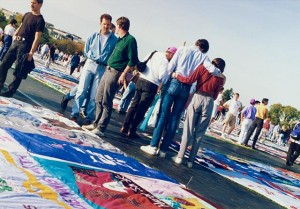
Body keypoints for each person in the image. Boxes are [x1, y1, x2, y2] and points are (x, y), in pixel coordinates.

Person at [140, 39, 224, 156]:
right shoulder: (204, 57)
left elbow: (171, 66)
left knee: (163, 114)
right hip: (186, 88)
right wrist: (220, 74)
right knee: (175, 118)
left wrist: (163, 82)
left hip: (173, 82)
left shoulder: (182, 49)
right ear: (204, 49)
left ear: (196, 44)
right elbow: (213, 70)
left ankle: (153, 146)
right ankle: (163, 150)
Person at [83, 16, 138, 136]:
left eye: (116, 26)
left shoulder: (130, 40)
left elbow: (132, 60)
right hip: (108, 70)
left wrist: (123, 74)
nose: (115, 28)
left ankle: (101, 128)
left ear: (120, 26)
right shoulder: (120, 39)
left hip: (116, 73)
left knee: (106, 101)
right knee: (98, 98)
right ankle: (95, 123)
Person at [171, 58, 225, 168]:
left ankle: (180, 157)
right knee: (199, 133)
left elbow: (189, 80)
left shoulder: (202, 68)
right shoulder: (220, 78)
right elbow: (215, 96)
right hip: (209, 101)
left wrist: (177, 76)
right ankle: (191, 161)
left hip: (197, 97)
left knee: (188, 129)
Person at [70, 14, 117, 124]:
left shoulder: (114, 40)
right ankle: (75, 113)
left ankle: (89, 116)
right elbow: (86, 50)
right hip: (90, 64)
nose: (106, 26)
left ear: (110, 24)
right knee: (82, 90)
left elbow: (113, 55)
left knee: (94, 94)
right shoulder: (93, 36)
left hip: (102, 67)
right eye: (104, 24)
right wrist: (94, 56)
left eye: (108, 24)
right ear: (100, 23)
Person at [121, 47, 177, 138]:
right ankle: (132, 130)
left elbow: (142, 62)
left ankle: (125, 126)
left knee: (134, 104)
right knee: (142, 108)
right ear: (172, 55)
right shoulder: (165, 62)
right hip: (151, 84)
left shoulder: (153, 52)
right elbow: (162, 76)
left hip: (141, 80)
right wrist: (165, 80)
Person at [0, 0, 45, 97]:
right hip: (16, 43)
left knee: (19, 70)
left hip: (25, 46)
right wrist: (15, 34)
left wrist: (31, 53)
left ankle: (11, 91)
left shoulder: (40, 20)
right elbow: (21, 26)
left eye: (34, 3)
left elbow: (37, 38)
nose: (31, 4)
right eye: (31, 2)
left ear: (40, 4)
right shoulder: (27, 14)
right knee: (4, 64)